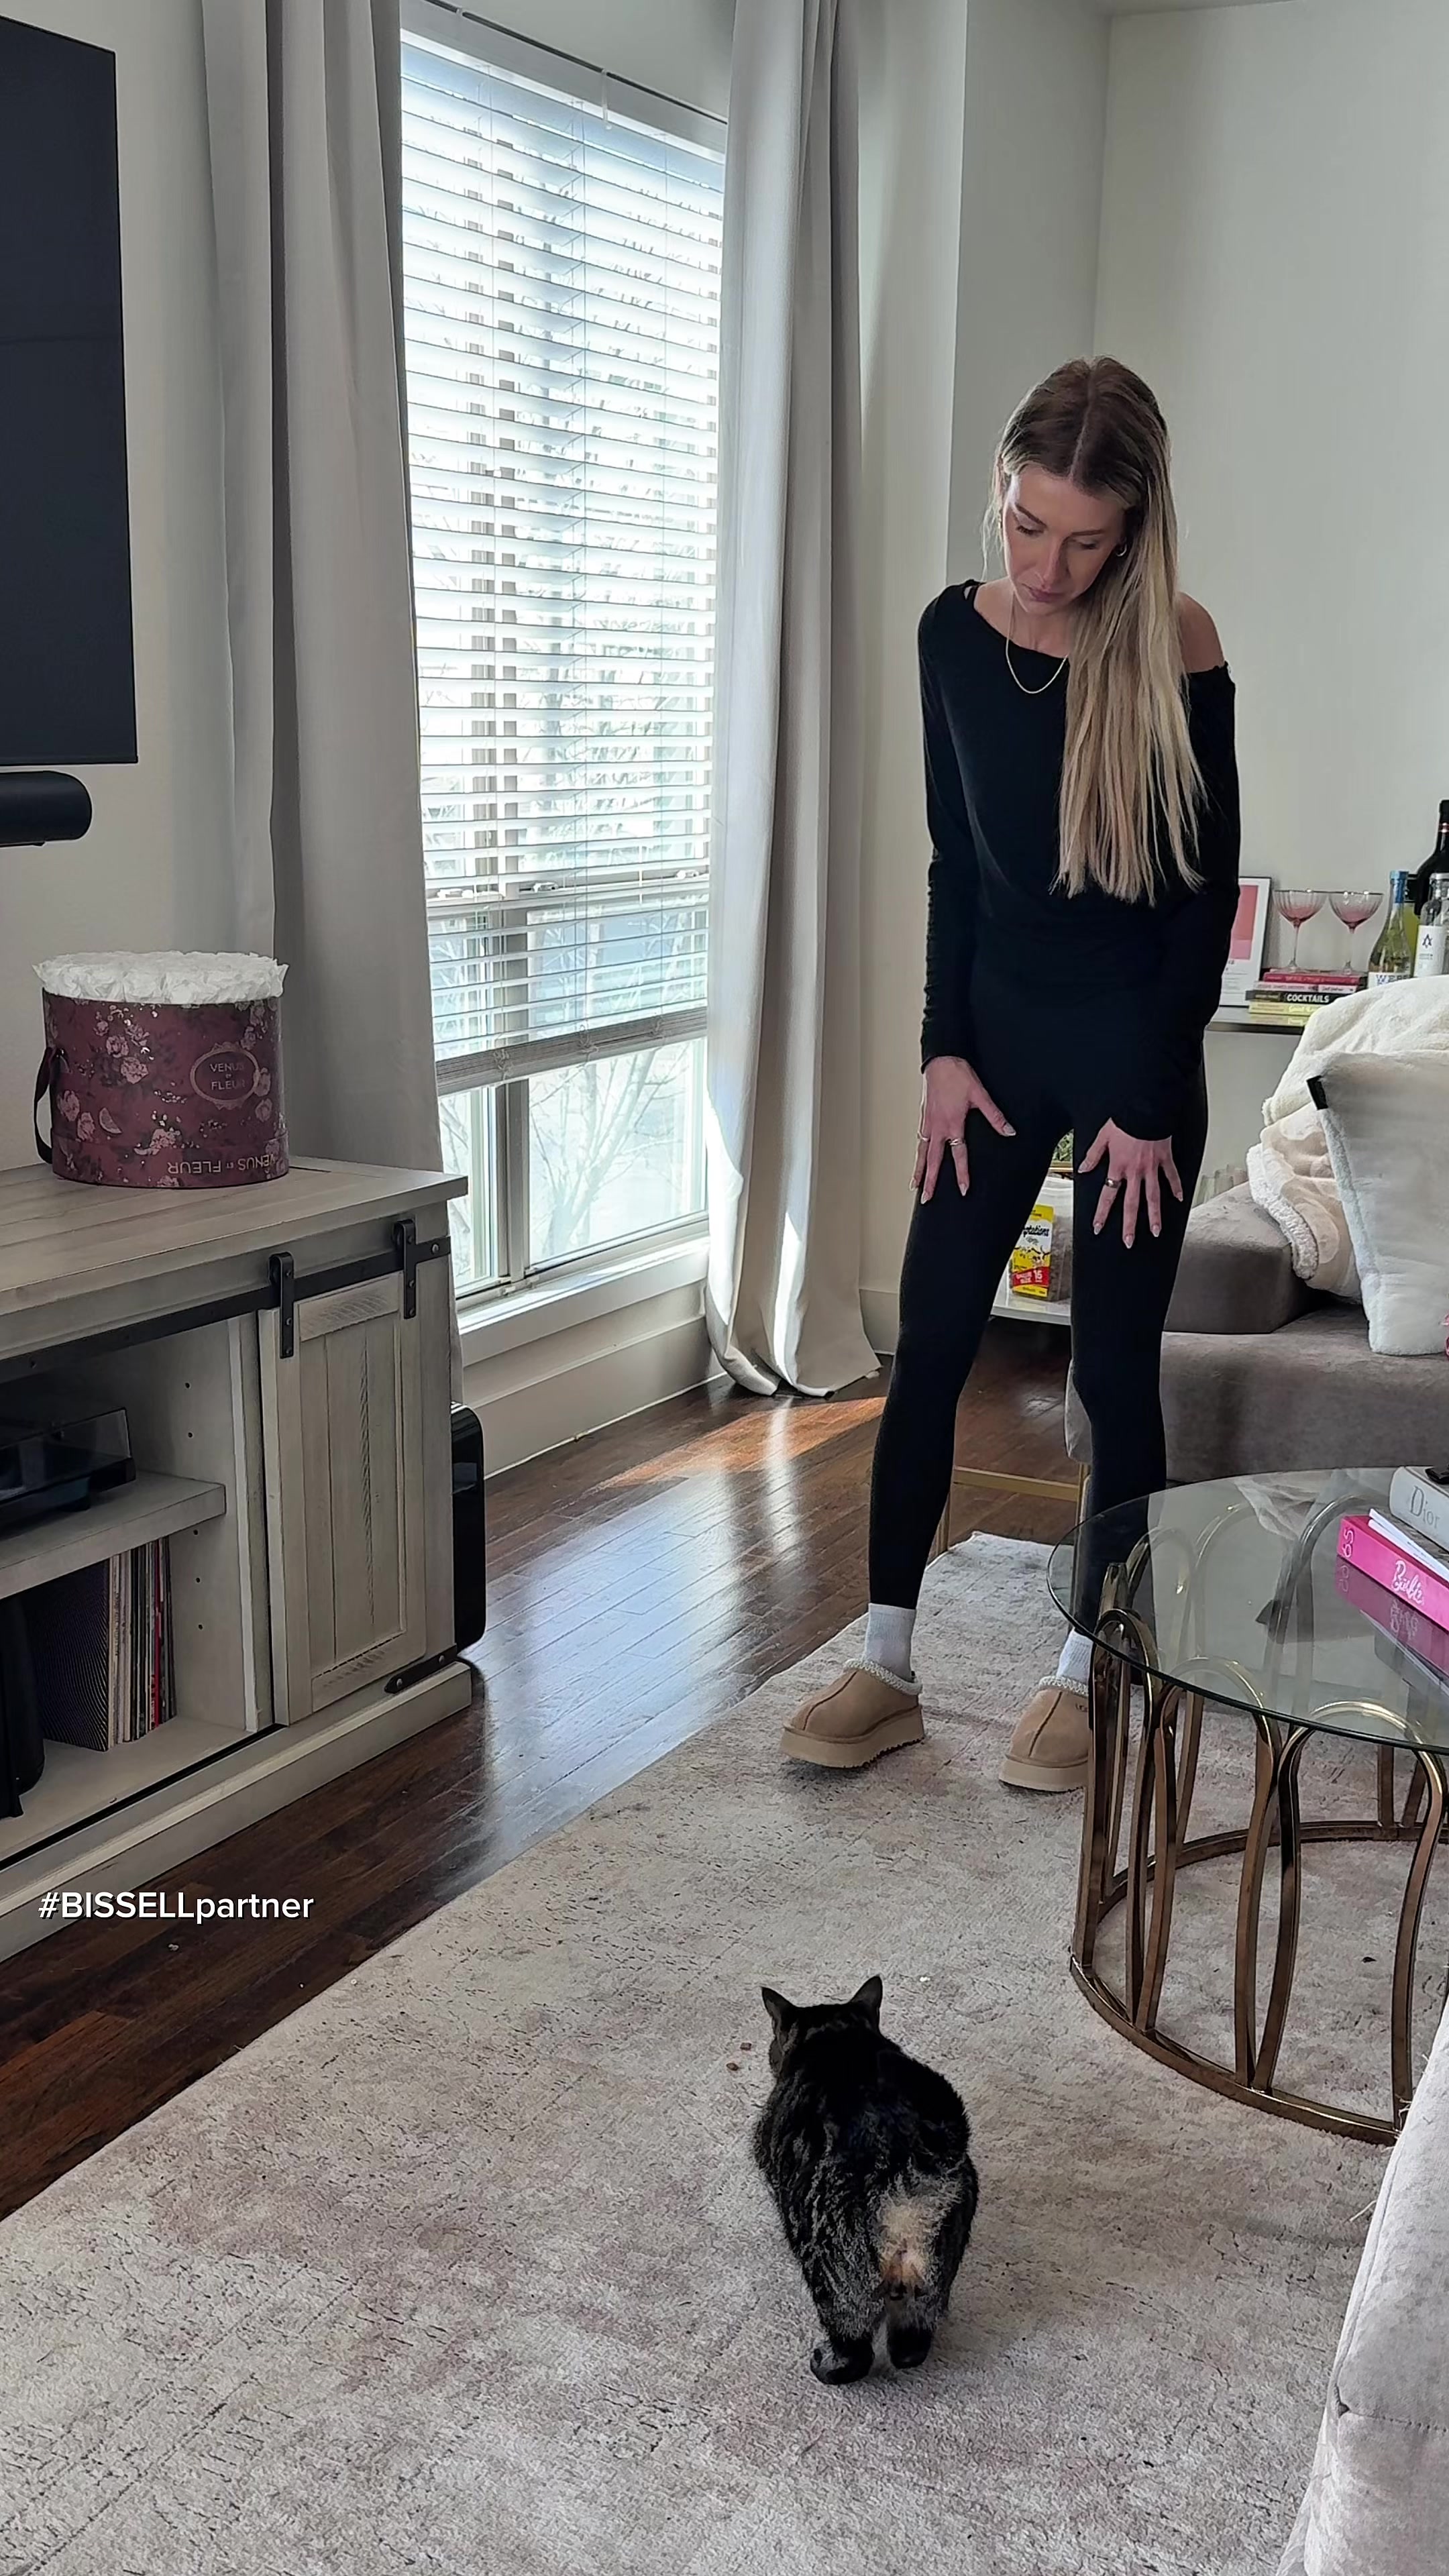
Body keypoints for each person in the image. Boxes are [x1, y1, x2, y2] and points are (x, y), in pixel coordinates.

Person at [780, 356, 1241, 1786]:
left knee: (1110, 1371)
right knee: (929, 1348)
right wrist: (940, 1054)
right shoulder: (949, 635)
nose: (1047, 567)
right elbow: (956, 868)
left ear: (1132, 529)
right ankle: (885, 1666)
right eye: (1029, 525)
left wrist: (1151, 1106)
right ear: (1002, 487)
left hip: (1130, 1068)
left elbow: (1200, 905)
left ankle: (1087, 1674)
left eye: (1085, 541)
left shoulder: (1177, 646)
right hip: (991, 1054)